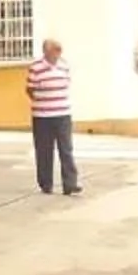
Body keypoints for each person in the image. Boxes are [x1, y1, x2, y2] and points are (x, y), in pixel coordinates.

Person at [27, 36, 81, 196]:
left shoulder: (64, 65)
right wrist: (41, 99)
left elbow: (67, 83)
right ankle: (46, 183)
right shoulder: (36, 67)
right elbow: (29, 89)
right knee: (44, 150)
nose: (57, 54)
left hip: (62, 113)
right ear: (46, 52)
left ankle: (70, 183)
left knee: (66, 149)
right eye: (54, 51)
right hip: (42, 115)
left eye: (59, 51)